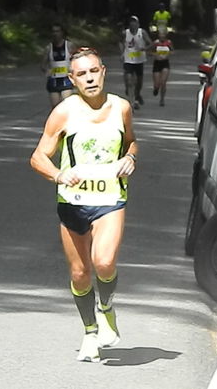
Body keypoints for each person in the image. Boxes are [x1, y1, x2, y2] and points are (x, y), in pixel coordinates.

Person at [30, 48, 138, 362]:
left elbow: (132, 140)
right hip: (74, 202)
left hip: (110, 199)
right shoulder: (64, 112)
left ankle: (106, 309)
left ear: (104, 71)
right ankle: (90, 331)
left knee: (103, 262)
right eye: (81, 74)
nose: (89, 78)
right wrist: (59, 174)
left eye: (94, 71)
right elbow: (38, 157)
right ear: (72, 78)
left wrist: (131, 157)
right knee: (80, 273)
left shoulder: (122, 107)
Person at [119, 15, 152, 110]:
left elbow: (151, 43)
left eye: (134, 22)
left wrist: (145, 48)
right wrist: (122, 53)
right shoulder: (125, 33)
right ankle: (131, 102)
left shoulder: (142, 32)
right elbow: (120, 42)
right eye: (131, 22)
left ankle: (137, 95)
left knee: (139, 82)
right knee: (129, 81)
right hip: (128, 59)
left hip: (139, 60)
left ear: (138, 24)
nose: (133, 24)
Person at [41, 23, 77, 108]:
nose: (55, 34)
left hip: (66, 80)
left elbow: (77, 60)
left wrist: (73, 70)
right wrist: (47, 70)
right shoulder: (49, 48)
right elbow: (43, 65)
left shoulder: (69, 46)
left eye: (57, 31)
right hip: (53, 81)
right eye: (53, 32)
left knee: (67, 105)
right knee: (55, 107)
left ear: (62, 33)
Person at [151, 27, 174, 107]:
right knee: (157, 83)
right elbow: (150, 52)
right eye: (160, 35)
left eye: (163, 34)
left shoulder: (169, 43)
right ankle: (156, 88)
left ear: (165, 35)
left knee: (163, 82)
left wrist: (167, 55)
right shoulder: (156, 43)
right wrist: (156, 55)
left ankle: (162, 99)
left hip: (165, 64)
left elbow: (172, 51)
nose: (162, 36)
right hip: (157, 63)